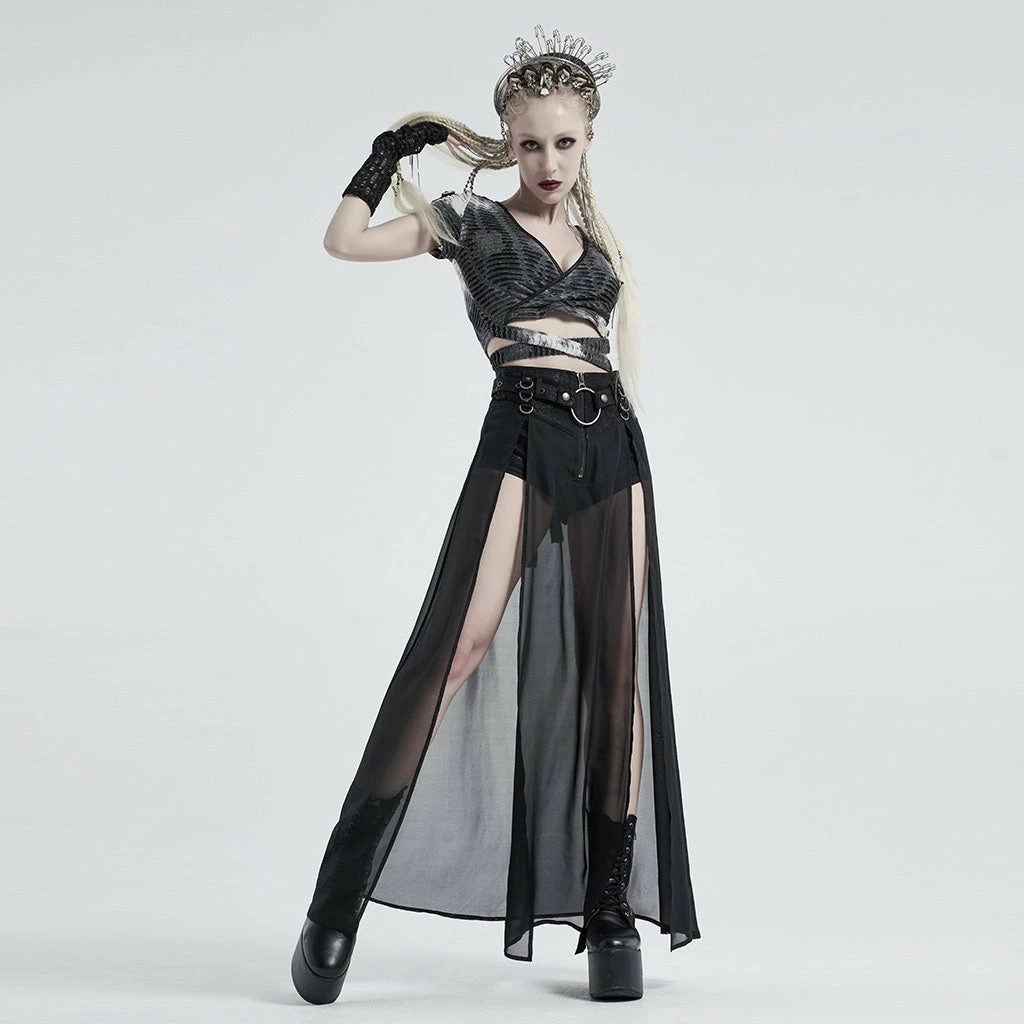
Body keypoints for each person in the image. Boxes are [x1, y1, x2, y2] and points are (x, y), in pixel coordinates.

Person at [290, 24, 700, 1005]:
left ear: (589, 140)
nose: (548, 161)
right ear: (507, 143)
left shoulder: (599, 243)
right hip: (521, 430)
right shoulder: (469, 223)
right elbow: (343, 241)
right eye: (530, 144)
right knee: (460, 647)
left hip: (611, 443)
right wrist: (389, 155)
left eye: (565, 142)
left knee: (618, 676)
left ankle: (608, 911)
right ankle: (337, 899)